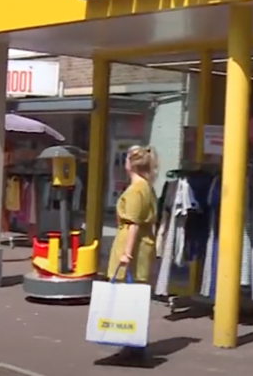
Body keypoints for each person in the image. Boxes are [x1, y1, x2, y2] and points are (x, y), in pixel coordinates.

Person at [106, 145, 158, 360]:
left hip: (133, 246)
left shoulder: (136, 190)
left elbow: (133, 224)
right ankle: (133, 344)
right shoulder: (147, 187)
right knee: (135, 296)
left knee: (128, 295)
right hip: (142, 246)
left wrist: (126, 253)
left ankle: (132, 345)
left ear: (131, 164)